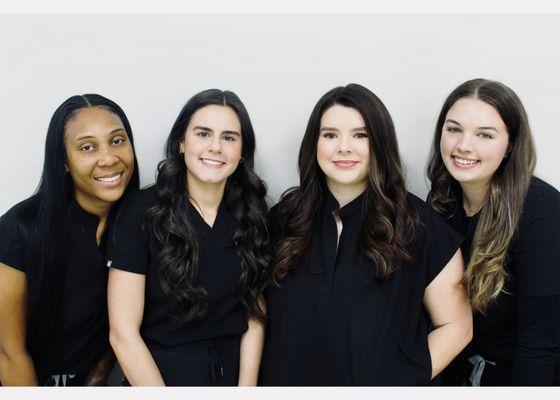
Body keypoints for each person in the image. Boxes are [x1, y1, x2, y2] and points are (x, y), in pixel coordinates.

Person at [259, 83, 472, 386]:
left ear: (380, 143)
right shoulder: (282, 220)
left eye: (360, 135)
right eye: (330, 135)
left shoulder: (418, 223)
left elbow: (457, 326)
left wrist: (400, 384)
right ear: (314, 144)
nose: (344, 147)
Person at [107, 89, 269, 386]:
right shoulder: (142, 211)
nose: (216, 147)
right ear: (181, 142)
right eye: (203, 134)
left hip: (231, 377)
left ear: (243, 152)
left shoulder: (252, 211)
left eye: (229, 137)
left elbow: (254, 316)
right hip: (159, 380)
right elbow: (122, 334)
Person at [427, 78, 560, 386]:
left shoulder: (542, 213)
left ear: (510, 144)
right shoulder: (441, 201)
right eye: (454, 129)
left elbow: (539, 348)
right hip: (463, 373)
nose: (463, 145)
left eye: (484, 134)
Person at [0, 94, 139, 386]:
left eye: (117, 141)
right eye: (88, 147)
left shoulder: (141, 224)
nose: (109, 158)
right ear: (63, 161)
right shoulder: (20, 228)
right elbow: (8, 353)